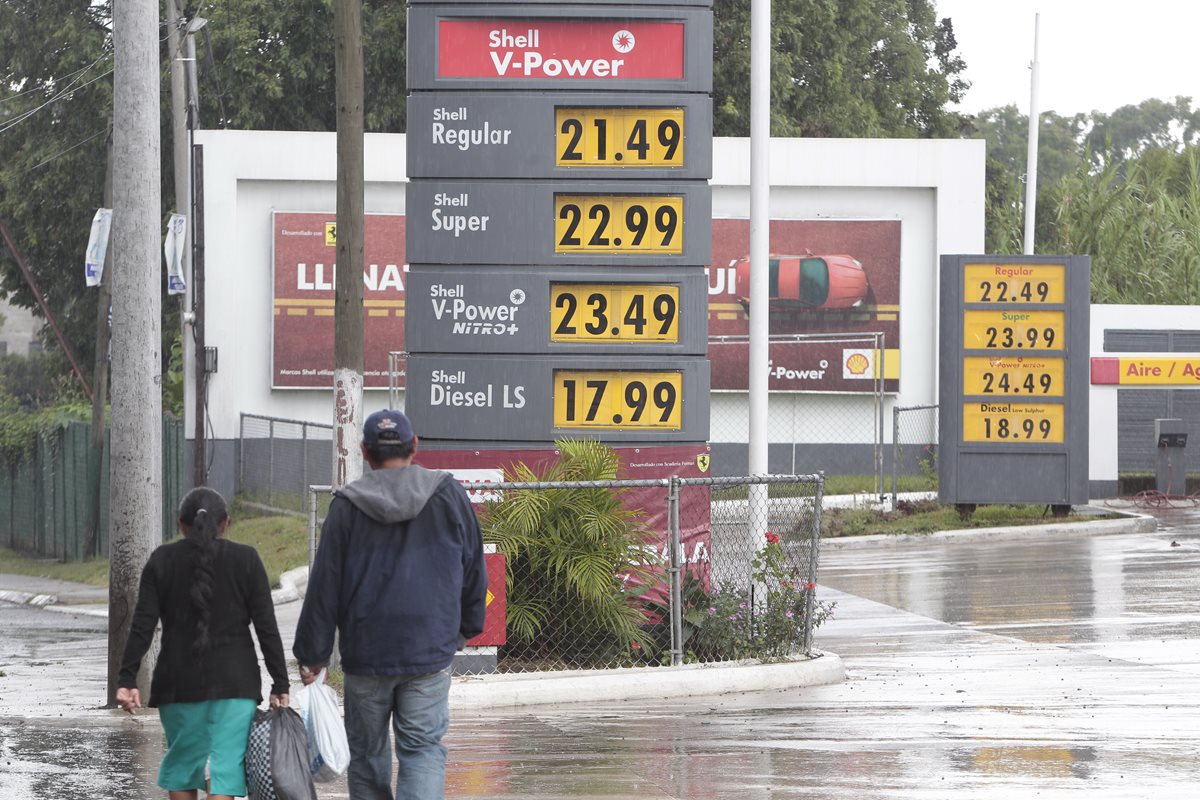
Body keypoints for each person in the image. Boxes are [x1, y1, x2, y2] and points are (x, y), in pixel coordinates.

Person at [293, 409, 487, 800]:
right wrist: (466, 628)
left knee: (366, 754)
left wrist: (312, 654)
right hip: (428, 651)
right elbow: (473, 565)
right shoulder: (447, 494)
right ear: (415, 445)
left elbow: (325, 584)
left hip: (366, 655)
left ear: (365, 451)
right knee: (423, 751)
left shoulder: (347, 507)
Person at [116, 487, 290, 800]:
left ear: (180, 524)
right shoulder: (246, 559)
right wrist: (280, 683)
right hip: (236, 685)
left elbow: (142, 625)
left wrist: (127, 679)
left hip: (177, 684)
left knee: (182, 767)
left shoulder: (162, 560)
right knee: (225, 769)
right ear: (226, 523)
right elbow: (267, 628)